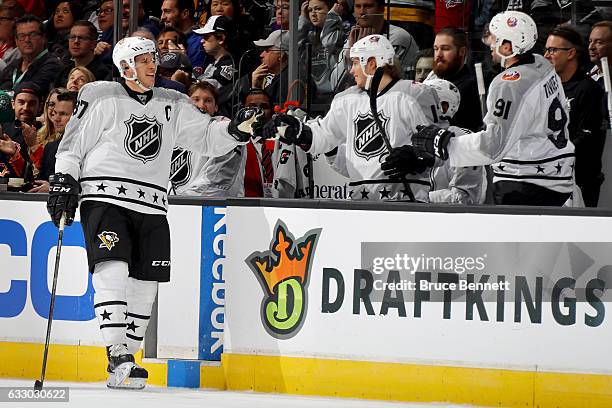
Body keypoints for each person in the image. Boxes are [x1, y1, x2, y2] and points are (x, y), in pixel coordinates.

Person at [45, 36, 264, 389]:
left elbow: (206, 136)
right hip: (104, 196)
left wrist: (235, 129)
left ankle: (127, 360)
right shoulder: (100, 94)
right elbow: (74, 142)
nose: (153, 65)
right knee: (112, 266)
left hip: (152, 202)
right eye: (145, 59)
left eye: (153, 59)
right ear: (126, 66)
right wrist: (64, 179)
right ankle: (116, 351)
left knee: (147, 281)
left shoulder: (172, 100)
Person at [406, 11, 575, 206]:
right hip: (559, 175)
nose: (490, 44)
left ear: (508, 46)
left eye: (495, 39)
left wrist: (445, 144)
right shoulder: (542, 63)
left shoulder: (509, 84)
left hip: (525, 183)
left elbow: (493, 145)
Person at [263, 34, 432, 202]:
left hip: (407, 199)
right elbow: (324, 137)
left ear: (371, 63)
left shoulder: (412, 93)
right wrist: (296, 130)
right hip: (361, 198)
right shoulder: (346, 99)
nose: (351, 70)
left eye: (356, 63)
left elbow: (439, 143)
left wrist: (416, 156)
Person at [545, 25, 605, 207]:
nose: (547, 55)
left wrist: (551, 156)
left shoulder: (589, 89)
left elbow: (587, 136)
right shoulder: (544, 90)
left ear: (571, 53)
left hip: (580, 181)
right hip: (547, 177)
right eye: (546, 49)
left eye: (553, 50)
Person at [170, 81, 246, 196]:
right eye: (196, 99)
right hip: (178, 206)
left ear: (216, 107)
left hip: (214, 207)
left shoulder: (225, 129)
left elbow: (216, 182)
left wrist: (179, 202)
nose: (201, 105)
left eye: (208, 101)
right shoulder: (176, 131)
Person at [329, 0, 419, 92]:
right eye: (358, 6)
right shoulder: (353, 37)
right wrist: (351, 52)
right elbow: (335, 85)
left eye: (368, 6)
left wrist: (360, 51)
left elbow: (380, 82)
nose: (362, 12)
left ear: (381, 9)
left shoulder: (398, 37)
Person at [423, 78, 486, 204]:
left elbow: (464, 198)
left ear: (444, 107)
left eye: (423, 103)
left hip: (453, 221)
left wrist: (418, 197)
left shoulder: (464, 141)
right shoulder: (407, 136)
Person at [427, 27, 482, 132]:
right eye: (436, 48)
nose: (438, 54)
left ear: (462, 51)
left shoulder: (469, 87)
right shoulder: (433, 78)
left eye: (445, 49)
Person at [0, 15, 64, 99]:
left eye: (33, 34)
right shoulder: (13, 65)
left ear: (43, 38)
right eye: (22, 36)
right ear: (16, 40)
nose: (27, 40)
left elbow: (30, 92)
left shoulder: (52, 65)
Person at [30, 89, 77, 191]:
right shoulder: (50, 147)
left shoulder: (90, 148)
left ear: (78, 116)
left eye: (63, 114)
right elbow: (40, 181)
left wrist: (54, 188)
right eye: (55, 113)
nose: (56, 119)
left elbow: (91, 187)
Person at [54, 20, 112, 88]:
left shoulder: (103, 73)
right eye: (72, 37)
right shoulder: (64, 72)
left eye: (81, 38)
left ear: (93, 44)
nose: (76, 41)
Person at [160, 0, 205, 67]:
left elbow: (196, 76)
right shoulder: (164, 36)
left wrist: (183, 60)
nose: (162, 17)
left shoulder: (198, 42)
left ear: (184, 13)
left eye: (167, 12)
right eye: (162, 12)